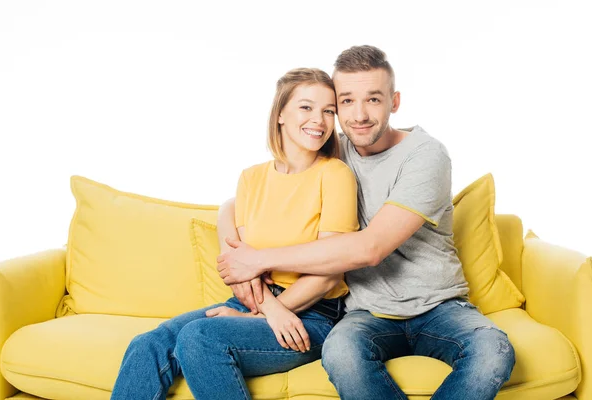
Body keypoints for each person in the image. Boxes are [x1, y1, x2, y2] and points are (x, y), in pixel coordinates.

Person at [216, 45, 516, 400]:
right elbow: (242, 199)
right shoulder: (332, 152)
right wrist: (229, 239)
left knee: (493, 350)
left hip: (438, 306)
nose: (359, 115)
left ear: (395, 101)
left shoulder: (425, 154)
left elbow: (370, 249)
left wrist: (260, 259)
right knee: (341, 353)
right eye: (346, 102)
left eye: (373, 100)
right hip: (365, 312)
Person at [110, 68, 359, 400]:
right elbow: (241, 264)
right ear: (280, 113)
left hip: (312, 315)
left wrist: (263, 313)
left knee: (200, 338)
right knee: (148, 344)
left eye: (329, 111)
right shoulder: (251, 178)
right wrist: (264, 309)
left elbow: (330, 272)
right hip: (260, 304)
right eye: (306, 107)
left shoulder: (335, 174)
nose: (320, 119)